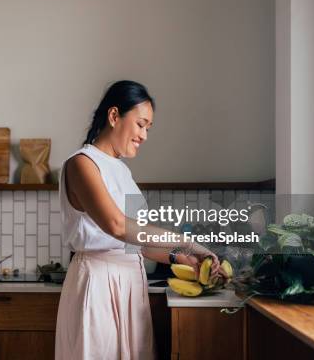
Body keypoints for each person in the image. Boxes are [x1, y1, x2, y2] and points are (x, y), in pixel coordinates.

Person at [54, 80, 224, 359]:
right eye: (141, 124)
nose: (145, 135)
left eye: (148, 128)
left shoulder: (123, 173)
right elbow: (117, 226)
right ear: (113, 116)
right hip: (98, 284)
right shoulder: (82, 164)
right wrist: (188, 243)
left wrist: (181, 258)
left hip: (131, 284)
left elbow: (138, 243)